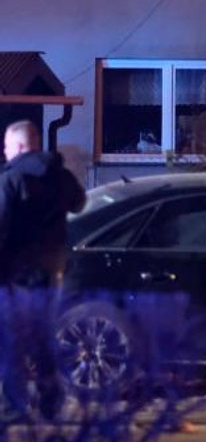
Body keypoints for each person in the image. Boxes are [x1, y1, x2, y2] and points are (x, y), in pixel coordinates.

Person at [0, 119, 86, 420]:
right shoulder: (59, 175)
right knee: (42, 338)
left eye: (6, 146)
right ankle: (51, 402)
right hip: (51, 272)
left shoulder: (11, 179)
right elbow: (79, 203)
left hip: (15, 274)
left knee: (10, 341)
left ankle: (14, 405)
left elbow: (2, 226)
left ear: (20, 146)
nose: (4, 151)